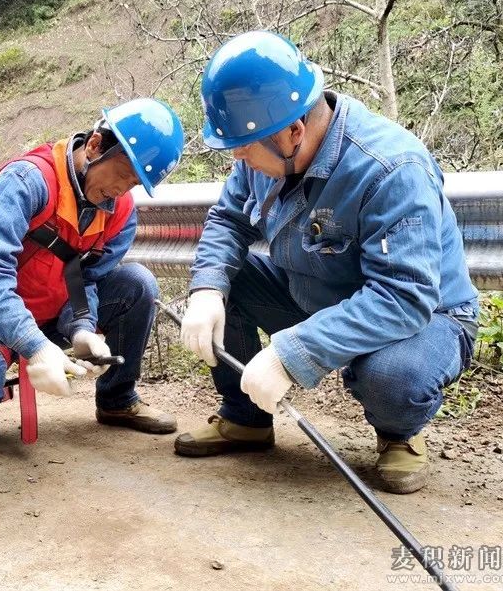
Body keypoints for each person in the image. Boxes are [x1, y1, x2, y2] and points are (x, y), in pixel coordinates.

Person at [176, 31, 479, 494]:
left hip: (426, 314)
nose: (237, 156)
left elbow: (403, 298)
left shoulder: (391, 169)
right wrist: (207, 289)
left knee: (395, 377)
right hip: (315, 290)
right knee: (226, 281)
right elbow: (229, 219)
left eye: (244, 145)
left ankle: (399, 434)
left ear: (294, 132)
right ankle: (246, 421)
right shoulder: (265, 147)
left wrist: (289, 353)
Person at [0, 98, 185, 445]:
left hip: (56, 313)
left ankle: (117, 400)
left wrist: (82, 330)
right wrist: (35, 346)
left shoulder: (120, 212)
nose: (121, 191)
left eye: (134, 184)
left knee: (137, 284)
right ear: (95, 146)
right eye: (123, 175)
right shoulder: (26, 181)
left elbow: (88, 278)